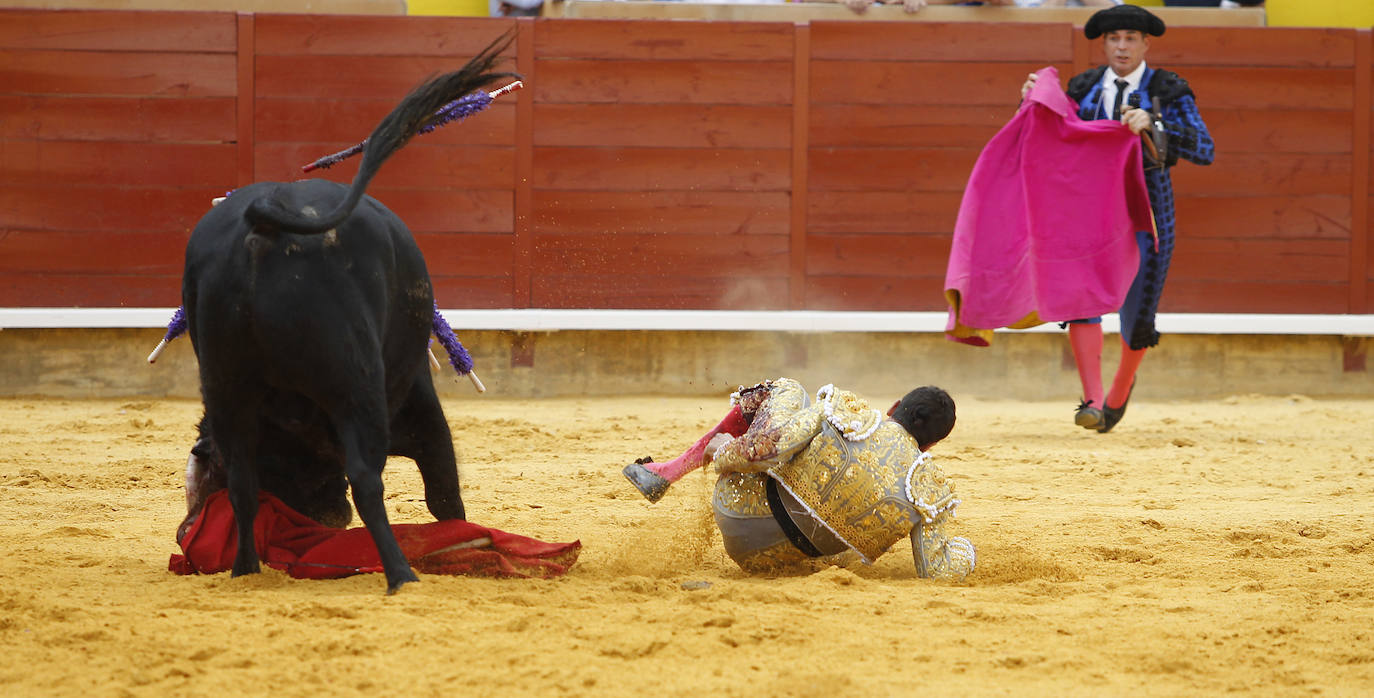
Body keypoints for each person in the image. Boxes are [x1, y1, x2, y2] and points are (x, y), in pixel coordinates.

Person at [1018, 5, 1213, 433]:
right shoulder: (1084, 88)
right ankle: (1090, 399)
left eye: (1130, 38)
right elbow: (1052, 133)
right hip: (1088, 214)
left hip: (1148, 215)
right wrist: (1034, 99)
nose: (1121, 46)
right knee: (1083, 296)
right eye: (1113, 38)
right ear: (1103, 44)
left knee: (1138, 310)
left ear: (1146, 44)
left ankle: (1120, 388)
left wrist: (1155, 123)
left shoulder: (1168, 90)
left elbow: (1204, 148)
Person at [621, 378, 974, 579]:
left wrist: (725, 450)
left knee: (790, 389)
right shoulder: (928, 488)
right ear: (929, 445)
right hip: (778, 564)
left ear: (894, 407)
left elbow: (765, 452)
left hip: (737, 510)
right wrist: (966, 552)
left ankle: (672, 469)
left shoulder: (845, 412)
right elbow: (939, 571)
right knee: (847, 553)